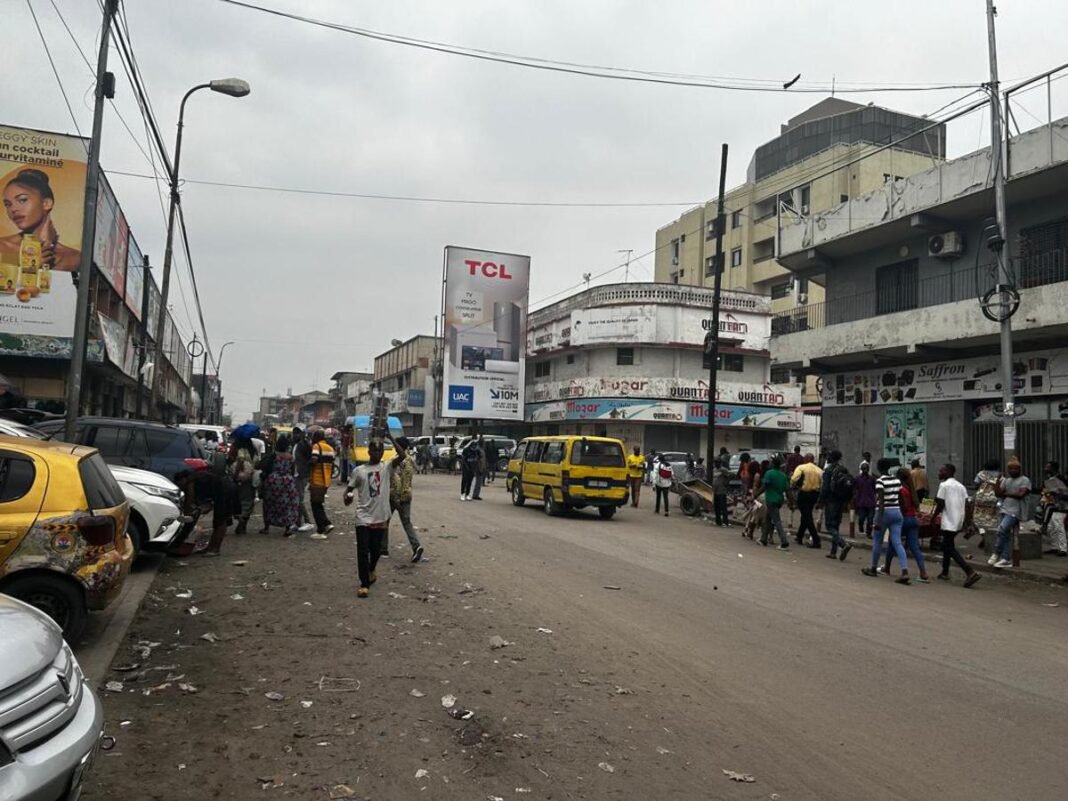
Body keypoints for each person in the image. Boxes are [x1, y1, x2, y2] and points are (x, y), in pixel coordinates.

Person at [344, 436, 408, 597]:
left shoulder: (386, 468)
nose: (377, 453)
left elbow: (402, 456)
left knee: (376, 550)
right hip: (363, 516)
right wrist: (348, 496)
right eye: (374, 450)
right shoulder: (359, 471)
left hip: (380, 516)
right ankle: (364, 583)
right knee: (363, 550)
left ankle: (372, 569)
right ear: (369, 451)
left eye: (380, 450)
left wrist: (390, 437)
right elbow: (349, 490)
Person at [0, 168, 81, 270]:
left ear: (46, 203)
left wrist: (49, 246)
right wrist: (31, 266)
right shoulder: (3, 247)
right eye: (8, 204)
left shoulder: (74, 258)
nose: (13, 209)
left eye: (22, 200)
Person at [933, 463, 982, 587]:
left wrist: (933, 517)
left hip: (949, 519)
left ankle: (969, 571)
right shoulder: (961, 486)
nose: (939, 473)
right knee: (947, 544)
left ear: (949, 472)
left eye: (942, 471)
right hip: (958, 520)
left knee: (948, 547)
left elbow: (940, 504)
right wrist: (967, 520)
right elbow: (967, 504)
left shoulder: (943, 485)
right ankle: (945, 571)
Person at [862, 458, 910, 584]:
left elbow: (881, 501)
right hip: (897, 512)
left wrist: (878, 520)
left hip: (884, 513)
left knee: (877, 541)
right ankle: (904, 571)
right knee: (897, 543)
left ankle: (873, 568)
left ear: (878, 468)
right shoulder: (896, 480)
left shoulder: (880, 481)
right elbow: (901, 499)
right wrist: (902, 512)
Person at [174, 467, 237, 557]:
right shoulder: (197, 479)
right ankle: (211, 547)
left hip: (225, 492)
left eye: (180, 484)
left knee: (220, 521)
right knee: (219, 521)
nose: (181, 487)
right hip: (225, 491)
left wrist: (187, 514)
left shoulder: (191, 482)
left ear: (184, 479)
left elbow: (190, 501)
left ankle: (215, 549)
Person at [388, 436, 424, 563]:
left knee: (385, 521)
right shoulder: (410, 460)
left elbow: (397, 480)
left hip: (395, 496)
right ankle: (416, 546)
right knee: (407, 523)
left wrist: (395, 497)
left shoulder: (397, 461)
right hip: (407, 494)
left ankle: (382, 548)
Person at [992, 456, 1031, 569]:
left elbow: (1021, 495)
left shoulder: (1024, 480)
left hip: (1015, 511)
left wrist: (1006, 493)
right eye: (1011, 469)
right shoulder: (1007, 481)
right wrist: (997, 481)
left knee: (1002, 530)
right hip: (1005, 509)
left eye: (1015, 469)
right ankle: (1005, 558)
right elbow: (998, 493)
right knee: (1002, 533)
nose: (1013, 471)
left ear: (1020, 469)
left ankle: (996, 553)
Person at [817, 450, 854, 560]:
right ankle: (833, 552)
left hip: (831, 500)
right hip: (841, 501)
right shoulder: (844, 470)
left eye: (829, 456)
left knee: (829, 526)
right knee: (836, 525)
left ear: (832, 458)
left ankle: (842, 544)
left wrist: (820, 501)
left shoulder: (828, 470)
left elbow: (825, 488)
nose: (827, 458)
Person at [895, 466, 929, 582]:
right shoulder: (911, 489)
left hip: (904, 519)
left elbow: (903, 507)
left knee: (893, 543)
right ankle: (923, 572)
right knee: (915, 548)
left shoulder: (901, 489)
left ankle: (888, 568)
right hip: (913, 519)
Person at [261, 434, 300, 535]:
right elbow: (292, 470)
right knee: (287, 505)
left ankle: (266, 528)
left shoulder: (273, 455)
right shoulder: (290, 457)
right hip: (287, 482)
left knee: (269, 504)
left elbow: (266, 466)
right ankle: (287, 528)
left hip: (272, 481)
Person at [754, 456, 790, 550]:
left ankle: (784, 541)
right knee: (768, 519)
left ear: (773, 464)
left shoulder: (769, 473)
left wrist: (756, 494)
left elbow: (764, 486)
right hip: (779, 499)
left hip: (771, 499)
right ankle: (763, 539)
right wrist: (792, 501)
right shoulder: (783, 475)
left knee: (776, 520)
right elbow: (787, 490)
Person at [791, 453, 824, 550]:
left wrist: (792, 487)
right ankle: (799, 536)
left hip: (804, 494)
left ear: (805, 459)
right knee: (806, 515)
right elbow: (823, 484)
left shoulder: (801, 467)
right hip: (814, 495)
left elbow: (794, 479)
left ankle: (816, 539)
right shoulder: (819, 470)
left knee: (807, 517)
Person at [228, 434, 258, 535]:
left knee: (237, 500)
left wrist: (235, 476)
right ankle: (244, 524)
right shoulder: (253, 449)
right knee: (248, 501)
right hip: (250, 477)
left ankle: (239, 518)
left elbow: (240, 461)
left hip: (239, 478)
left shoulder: (240, 449)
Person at [309, 430, 335, 536]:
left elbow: (314, 460)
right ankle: (326, 523)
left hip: (317, 479)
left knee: (315, 504)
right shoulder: (330, 448)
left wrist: (308, 464)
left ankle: (322, 527)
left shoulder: (316, 446)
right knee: (318, 503)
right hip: (326, 481)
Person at [1040, 461, 1067, 557]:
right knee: (1051, 527)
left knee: (1058, 526)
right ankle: (1055, 547)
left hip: (1060, 506)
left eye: (1048, 467)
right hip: (1050, 506)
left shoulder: (1060, 479)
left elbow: (1064, 493)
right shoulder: (1049, 479)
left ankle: (1063, 549)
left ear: (1054, 469)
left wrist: (1055, 492)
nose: (1045, 469)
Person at [291, 427, 314, 532]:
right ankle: (297, 522)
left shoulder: (305, 445)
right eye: (294, 433)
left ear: (302, 434)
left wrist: (305, 470)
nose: (295, 435)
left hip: (302, 475)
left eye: (298, 433)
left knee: (299, 499)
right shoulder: (295, 445)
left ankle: (308, 521)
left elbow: (311, 458)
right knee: (296, 499)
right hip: (296, 474)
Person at [853, 462, 877, 540]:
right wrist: (856, 498)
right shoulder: (857, 479)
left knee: (870, 519)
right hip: (861, 502)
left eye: (866, 469)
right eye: (864, 469)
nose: (865, 470)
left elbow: (875, 489)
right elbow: (855, 489)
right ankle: (861, 526)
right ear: (861, 470)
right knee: (861, 518)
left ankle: (869, 533)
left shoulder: (872, 479)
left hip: (871, 502)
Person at [711, 459, 730, 526]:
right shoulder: (714, 470)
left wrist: (725, 483)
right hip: (715, 491)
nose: (716, 464)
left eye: (718, 463)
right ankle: (718, 521)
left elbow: (729, 476)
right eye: (715, 463)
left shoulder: (723, 470)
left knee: (723, 507)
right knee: (717, 507)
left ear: (720, 463)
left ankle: (725, 521)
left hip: (721, 491)